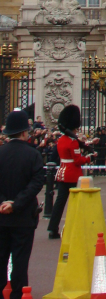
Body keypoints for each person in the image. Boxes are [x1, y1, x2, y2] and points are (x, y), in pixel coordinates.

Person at [0, 110, 45, 299]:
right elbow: (36, 183)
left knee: (1, 259)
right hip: (24, 216)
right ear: (25, 132)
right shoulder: (32, 154)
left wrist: (3, 202)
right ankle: (18, 294)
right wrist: (16, 204)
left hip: (1, 216)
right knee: (20, 261)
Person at [47, 104, 95, 239]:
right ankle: (78, 227)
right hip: (72, 174)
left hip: (62, 173)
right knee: (78, 203)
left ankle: (52, 228)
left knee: (59, 203)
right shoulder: (72, 142)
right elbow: (77, 160)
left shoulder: (61, 140)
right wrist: (89, 158)